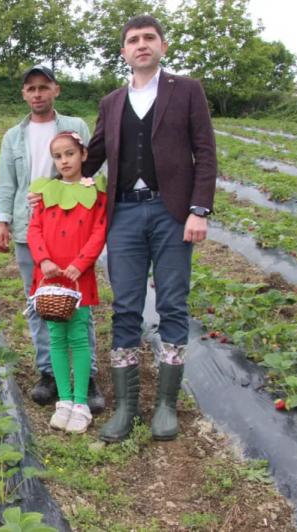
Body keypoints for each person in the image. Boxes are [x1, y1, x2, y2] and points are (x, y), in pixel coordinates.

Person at [82, 15, 217, 442]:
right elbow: (94, 156)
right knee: (125, 306)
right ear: (124, 51)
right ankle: (125, 407)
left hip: (171, 213)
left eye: (149, 38)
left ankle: (165, 405)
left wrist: (199, 210)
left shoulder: (187, 90)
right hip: (124, 213)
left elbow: (205, 151)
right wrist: (54, 189)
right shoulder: (112, 102)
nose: (141, 45)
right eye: (133, 40)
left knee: (173, 304)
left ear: (162, 46)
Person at [0, 65, 105, 413]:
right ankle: (49, 373)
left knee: (79, 302)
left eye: (44, 87)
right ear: (24, 94)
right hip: (32, 229)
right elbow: (7, 182)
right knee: (39, 303)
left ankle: (87, 377)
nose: (38, 93)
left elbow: (92, 171)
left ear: (56, 90)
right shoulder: (13, 136)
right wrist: (2, 220)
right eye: (31, 88)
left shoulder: (75, 127)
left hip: (75, 230)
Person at [27, 131, 107, 434]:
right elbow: (34, 229)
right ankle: (63, 399)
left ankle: (81, 402)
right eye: (58, 156)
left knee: (79, 337)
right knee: (56, 337)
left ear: (83, 155)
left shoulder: (96, 193)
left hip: (77, 277)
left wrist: (80, 263)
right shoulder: (46, 192)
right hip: (49, 276)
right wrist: (43, 260)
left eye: (70, 153)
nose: (64, 161)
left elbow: (99, 231)